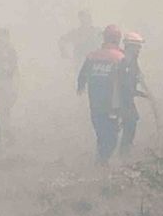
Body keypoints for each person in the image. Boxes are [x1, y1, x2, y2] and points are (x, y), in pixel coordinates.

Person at [77, 25, 129, 165]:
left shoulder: (92, 55)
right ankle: (102, 161)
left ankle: (100, 161)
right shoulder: (121, 57)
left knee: (101, 133)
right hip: (112, 104)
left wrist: (80, 87)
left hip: (95, 103)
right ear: (118, 39)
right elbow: (126, 83)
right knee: (111, 136)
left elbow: (82, 77)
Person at [118, 32, 148, 157]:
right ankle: (125, 150)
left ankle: (126, 147)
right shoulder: (126, 61)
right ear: (130, 47)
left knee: (132, 120)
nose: (139, 50)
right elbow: (125, 85)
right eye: (137, 47)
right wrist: (141, 94)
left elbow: (138, 77)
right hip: (122, 99)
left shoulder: (133, 60)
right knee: (130, 121)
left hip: (127, 98)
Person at [0, 28, 19, 144]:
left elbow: (13, 69)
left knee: (4, 110)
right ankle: (3, 135)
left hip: (6, 84)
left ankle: (6, 134)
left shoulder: (10, 51)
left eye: (1, 37)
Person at [59, 10, 101, 75]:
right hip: (80, 65)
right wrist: (63, 52)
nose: (83, 20)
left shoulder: (96, 32)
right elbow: (62, 40)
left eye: (86, 17)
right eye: (82, 18)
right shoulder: (76, 32)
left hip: (93, 65)